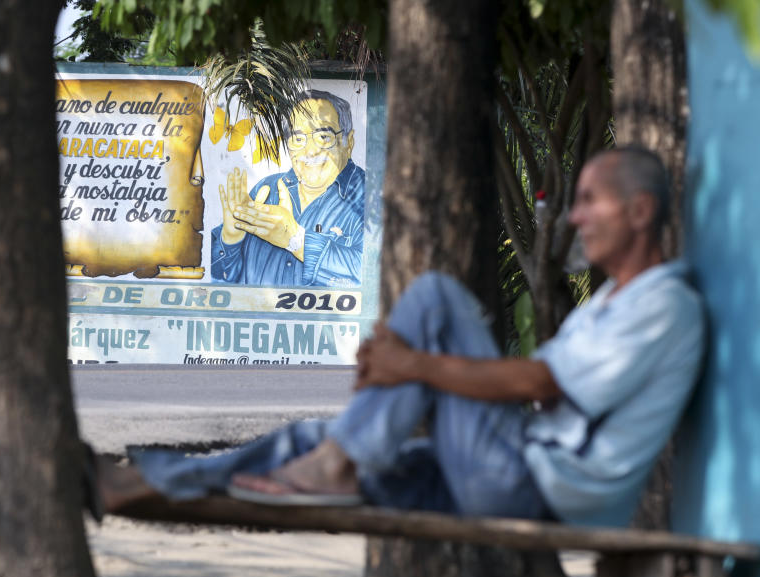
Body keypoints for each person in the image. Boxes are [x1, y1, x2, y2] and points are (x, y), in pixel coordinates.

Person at [96, 146, 704, 528]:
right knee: (315, 437)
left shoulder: (664, 303)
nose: (574, 217)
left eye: (592, 201)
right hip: (511, 463)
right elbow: (550, 395)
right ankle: (142, 482)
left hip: (535, 486)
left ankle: (338, 461)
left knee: (436, 297)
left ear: (642, 211)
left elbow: (538, 381)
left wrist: (413, 368)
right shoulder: (614, 301)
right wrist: (410, 380)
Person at [210, 90, 365, 287]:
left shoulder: (370, 196)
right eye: (298, 139)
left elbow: (371, 274)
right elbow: (219, 277)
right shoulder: (268, 189)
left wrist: (296, 239)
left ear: (348, 142)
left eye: (324, 137)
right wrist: (231, 238)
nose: (310, 151)